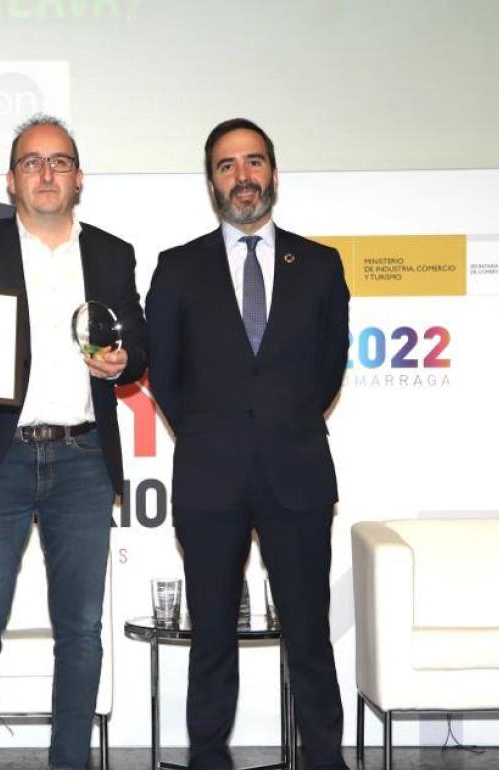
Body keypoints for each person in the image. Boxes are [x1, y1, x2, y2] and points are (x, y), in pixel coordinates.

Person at [0, 115, 148, 770]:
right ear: (11, 180)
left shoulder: (112, 252)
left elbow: (137, 346)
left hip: (82, 461)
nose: (45, 173)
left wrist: (124, 361)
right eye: (31, 162)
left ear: (78, 176)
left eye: (59, 161)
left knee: (80, 635)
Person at [145, 118, 350, 770]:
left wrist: (278, 421)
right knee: (211, 635)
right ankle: (209, 757)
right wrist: (214, 429)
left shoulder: (320, 265)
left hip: (297, 472)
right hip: (211, 476)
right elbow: (168, 377)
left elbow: (327, 370)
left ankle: (323, 758)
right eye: (228, 165)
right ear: (212, 181)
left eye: (254, 162)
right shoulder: (177, 268)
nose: (243, 177)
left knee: (310, 634)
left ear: (273, 174)